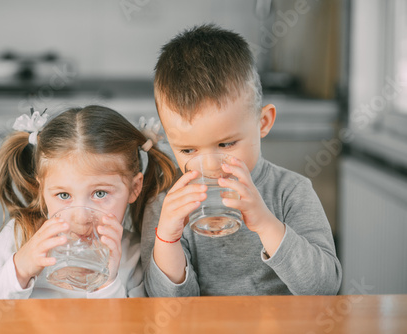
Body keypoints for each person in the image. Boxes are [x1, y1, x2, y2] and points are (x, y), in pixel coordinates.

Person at [141, 24, 342, 296]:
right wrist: (167, 238)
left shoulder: (290, 192)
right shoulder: (166, 204)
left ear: (263, 122)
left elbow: (324, 289)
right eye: (188, 151)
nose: (210, 165)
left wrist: (264, 222)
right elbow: (165, 305)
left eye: (226, 144)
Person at [0, 105, 175, 299]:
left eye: (100, 194)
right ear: (42, 190)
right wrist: (20, 269)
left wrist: (107, 284)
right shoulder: (19, 236)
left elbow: (132, 325)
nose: (81, 218)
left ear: (134, 188)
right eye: (64, 195)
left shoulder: (133, 254)